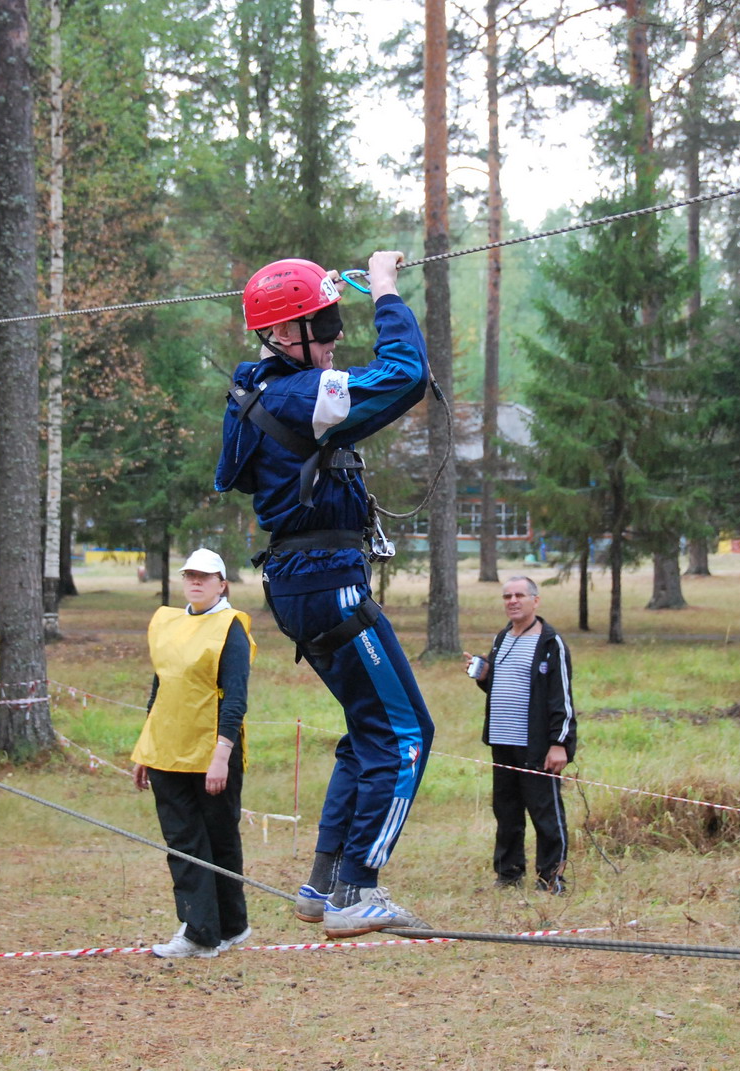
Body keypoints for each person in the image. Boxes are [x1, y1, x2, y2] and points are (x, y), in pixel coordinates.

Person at [215, 250, 435, 938]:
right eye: (325, 323)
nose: (338, 335)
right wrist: (389, 292)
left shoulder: (257, 388)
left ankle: (324, 883)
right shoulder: (301, 397)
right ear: (284, 337)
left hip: (301, 586)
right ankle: (357, 890)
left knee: (366, 732)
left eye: (336, 319)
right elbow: (406, 377)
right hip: (327, 586)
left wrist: (321, 290)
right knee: (406, 735)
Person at [131, 549, 257, 959]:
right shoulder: (167, 622)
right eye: (190, 575)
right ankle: (201, 932)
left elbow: (235, 698)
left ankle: (231, 926)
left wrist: (222, 754)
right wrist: (144, 749)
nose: (196, 582)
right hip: (167, 750)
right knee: (184, 840)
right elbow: (160, 689)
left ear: (223, 583)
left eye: (205, 576)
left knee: (220, 838)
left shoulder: (230, 627)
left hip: (211, 752)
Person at [462, 576, 576, 894]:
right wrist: (483, 676)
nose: (513, 601)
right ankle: (509, 874)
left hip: (537, 745)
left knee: (545, 812)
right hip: (502, 740)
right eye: (507, 596)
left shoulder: (551, 642)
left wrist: (559, 745)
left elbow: (562, 698)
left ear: (535, 601)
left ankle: (551, 877)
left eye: (520, 596)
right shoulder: (503, 638)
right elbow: (499, 683)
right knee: (507, 811)